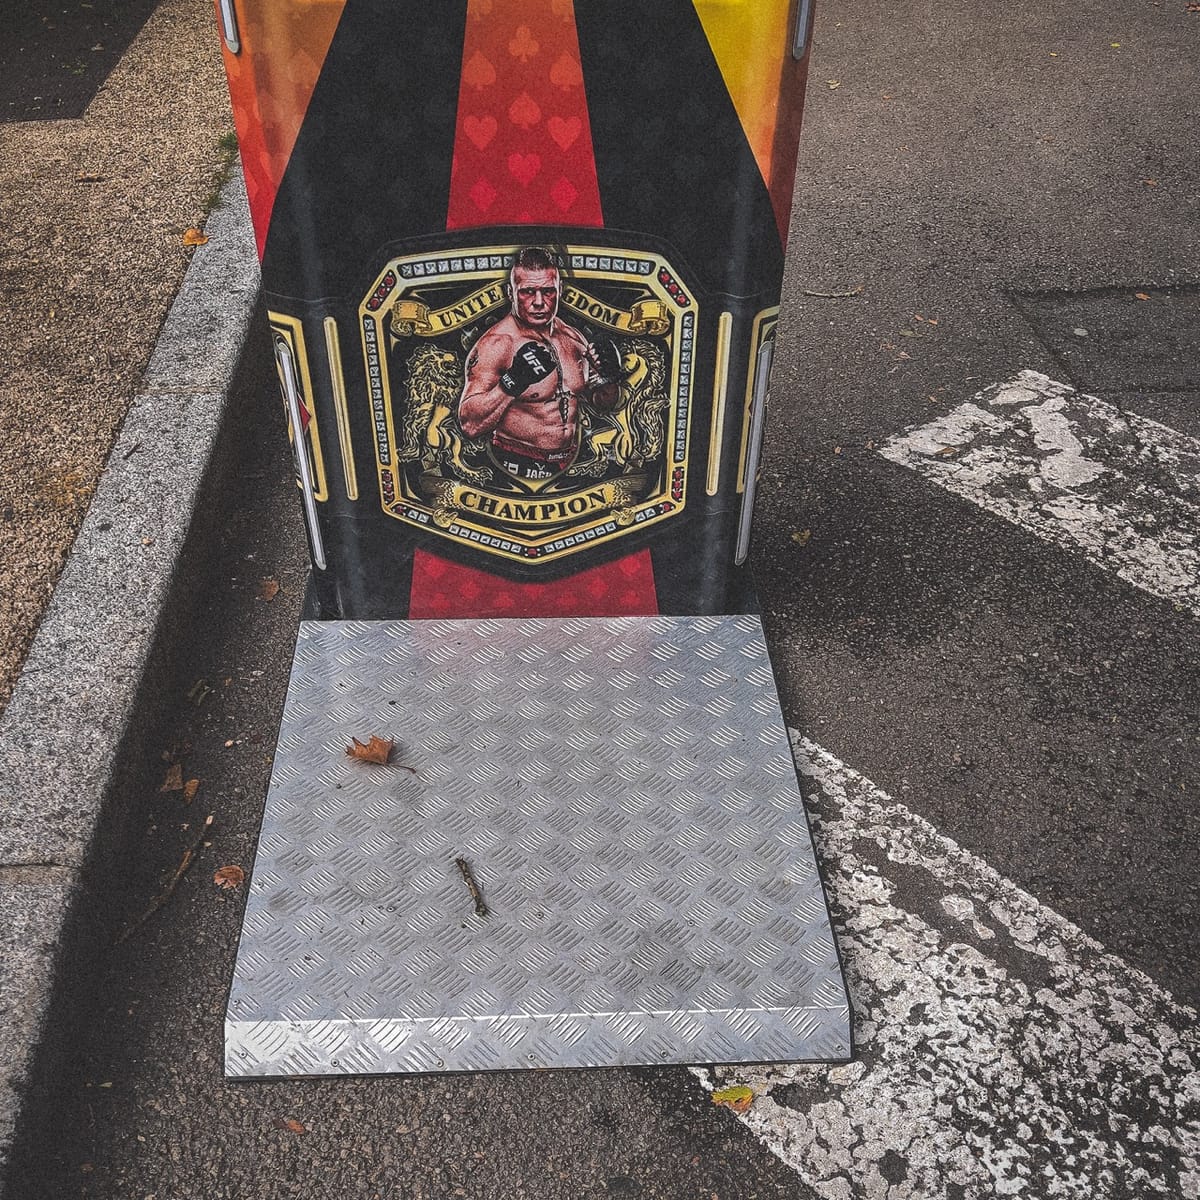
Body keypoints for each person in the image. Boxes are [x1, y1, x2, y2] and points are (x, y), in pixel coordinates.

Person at [458, 247, 623, 481]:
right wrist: (512, 383)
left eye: (548, 291)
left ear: (560, 290)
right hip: (514, 464)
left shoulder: (572, 338)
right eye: (527, 292)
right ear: (510, 292)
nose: (539, 302)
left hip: (568, 464)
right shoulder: (498, 344)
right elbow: (469, 424)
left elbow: (601, 404)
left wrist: (608, 379)